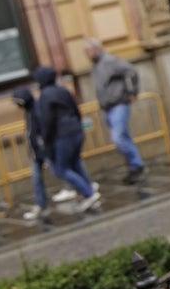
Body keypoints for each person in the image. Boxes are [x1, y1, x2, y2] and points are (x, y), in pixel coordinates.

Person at [33, 66, 101, 214]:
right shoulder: (63, 90)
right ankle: (89, 187)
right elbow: (76, 109)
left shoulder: (45, 96)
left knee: (61, 168)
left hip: (61, 135)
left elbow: (47, 121)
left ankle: (88, 192)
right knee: (75, 162)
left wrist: (47, 142)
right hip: (75, 129)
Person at [83, 38, 146, 184]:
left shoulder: (109, 61)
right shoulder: (95, 65)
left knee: (118, 138)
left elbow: (131, 71)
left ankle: (137, 165)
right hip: (109, 107)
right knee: (124, 137)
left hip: (119, 104)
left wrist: (133, 91)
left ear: (96, 48)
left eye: (87, 51)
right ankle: (134, 166)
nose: (86, 54)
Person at [12, 87, 55, 223]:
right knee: (37, 180)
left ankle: (84, 190)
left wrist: (43, 150)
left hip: (42, 151)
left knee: (59, 171)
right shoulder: (29, 111)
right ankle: (42, 205)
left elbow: (41, 132)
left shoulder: (36, 110)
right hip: (36, 152)